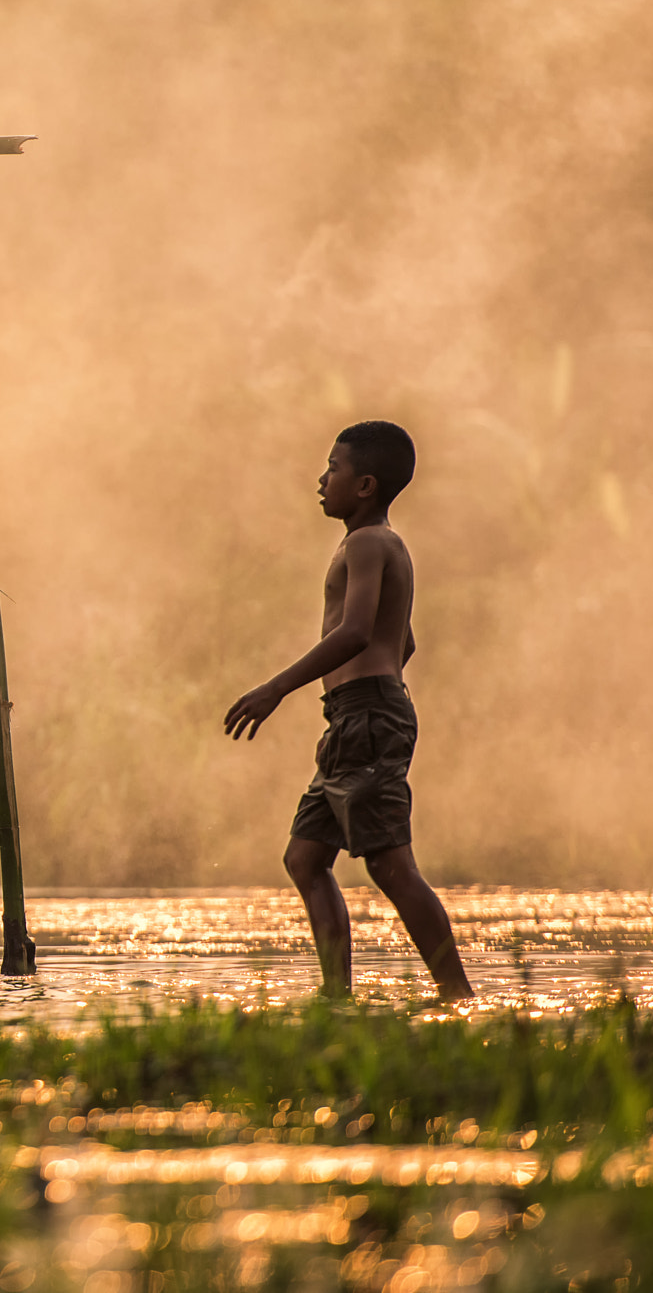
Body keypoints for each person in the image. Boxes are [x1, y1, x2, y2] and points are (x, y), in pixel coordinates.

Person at [224, 421, 473, 1000]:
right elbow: (403, 641)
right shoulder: (380, 544)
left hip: (366, 717)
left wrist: (277, 688)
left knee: (390, 866)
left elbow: (357, 632)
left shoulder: (367, 544)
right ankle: (336, 1000)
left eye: (332, 468)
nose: (321, 479)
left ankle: (458, 997)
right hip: (355, 717)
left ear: (364, 484)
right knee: (305, 858)